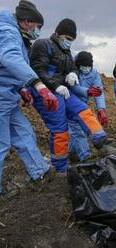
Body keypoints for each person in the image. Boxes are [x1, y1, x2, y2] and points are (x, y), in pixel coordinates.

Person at [30, 18, 108, 172]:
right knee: (60, 130)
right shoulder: (43, 45)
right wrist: (55, 86)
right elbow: (38, 70)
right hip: (45, 93)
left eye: (72, 40)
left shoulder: (66, 52)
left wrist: (72, 74)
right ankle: (60, 168)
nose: (69, 42)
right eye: (67, 39)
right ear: (58, 34)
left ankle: (99, 138)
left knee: (83, 110)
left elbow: (73, 68)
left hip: (64, 91)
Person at [0, 0, 58, 193]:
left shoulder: (18, 35)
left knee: (24, 132)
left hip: (8, 96)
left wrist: (22, 90)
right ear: (26, 22)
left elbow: (7, 71)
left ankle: (39, 171)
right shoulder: (8, 32)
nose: (38, 31)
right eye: (37, 26)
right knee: (2, 143)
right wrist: (36, 84)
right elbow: (10, 59)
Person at [69, 51, 108, 161]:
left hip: (83, 105)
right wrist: (87, 91)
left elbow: (98, 91)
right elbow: (73, 87)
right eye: (83, 66)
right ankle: (84, 157)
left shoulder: (93, 73)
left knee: (84, 128)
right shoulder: (72, 72)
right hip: (71, 103)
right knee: (76, 130)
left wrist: (101, 109)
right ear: (78, 65)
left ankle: (75, 153)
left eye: (88, 66)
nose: (86, 68)